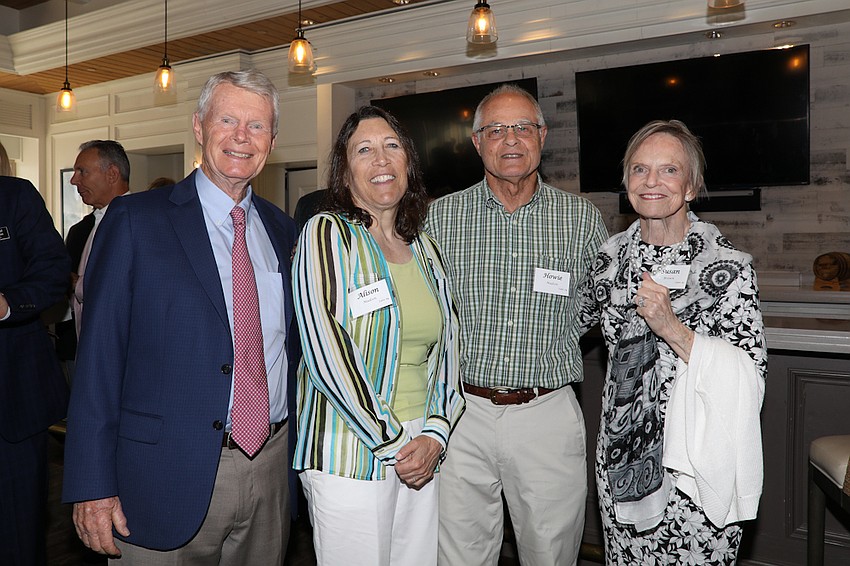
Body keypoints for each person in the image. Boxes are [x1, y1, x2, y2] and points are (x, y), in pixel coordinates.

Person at [62, 69, 300, 564]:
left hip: (270, 470)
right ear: (199, 125)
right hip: (160, 477)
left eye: (257, 126)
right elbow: (98, 363)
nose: (241, 136)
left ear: (272, 140)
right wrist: (92, 485)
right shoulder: (136, 221)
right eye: (228, 120)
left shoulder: (283, 230)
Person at [425, 83, 608, 565]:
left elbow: (596, 307)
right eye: (496, 129)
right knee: (458, 556)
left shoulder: (581, 220)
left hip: (546, 414)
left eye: (522, 127)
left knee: (551, 554)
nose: (511, 139)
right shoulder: (440, 219)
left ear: (542, 136)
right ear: (476, 142)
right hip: (459, 416)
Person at [577, 119, 767, 565]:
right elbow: (568, 325)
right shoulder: (608, 260)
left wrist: (672, 329)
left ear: (691, 186)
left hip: (694, 464)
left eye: (668, 170)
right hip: (621, 457)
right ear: (626, 183)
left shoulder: (727, 267)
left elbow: (750, 373)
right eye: (640, 170)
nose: (652, 181)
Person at [293, 105, 465, 566]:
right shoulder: (326, 235)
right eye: (364, 150)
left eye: (392, 147)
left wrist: (435, 433)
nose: (381, 160)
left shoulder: (426, 248)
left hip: (421, 445)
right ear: (345, 173)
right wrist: (393, 442)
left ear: (408, 162)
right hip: (352, 448)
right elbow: (327, 350)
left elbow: (449, 351)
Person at [0, 171, 72, 566]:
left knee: (17, 537)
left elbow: (53, 269)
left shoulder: (13, 197)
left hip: (11, 406)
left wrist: (7, 303)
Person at [55, 141, 132, 377]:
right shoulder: (79, 231)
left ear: (112, 174)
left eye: (82, 172)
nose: (74, 180)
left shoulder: (145, 223)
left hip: (126, 357)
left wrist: (79, 283)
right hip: (77, 351)